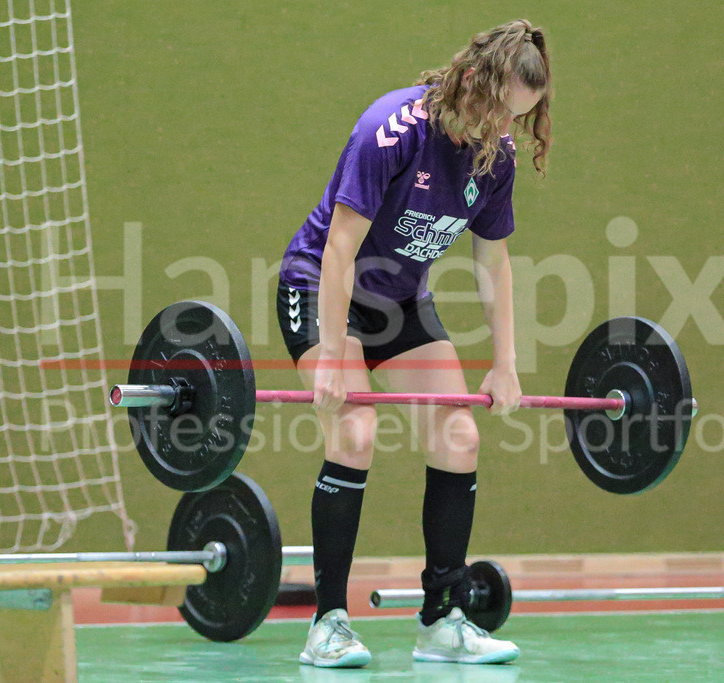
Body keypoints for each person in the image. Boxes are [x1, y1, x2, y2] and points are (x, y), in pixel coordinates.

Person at [276, 19, 551, 668]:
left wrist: (505, 364)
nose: (503, 129)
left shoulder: (495, 156)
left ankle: (442, 621)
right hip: (321, 283)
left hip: (400, 301)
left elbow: (493, 261)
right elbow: (339, 247)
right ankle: (327, 624)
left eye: (517, 118)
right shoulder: (390, 129)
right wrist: (334, 354)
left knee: (460, 437)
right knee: (354, 430)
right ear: (469, 80)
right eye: (497, 111)